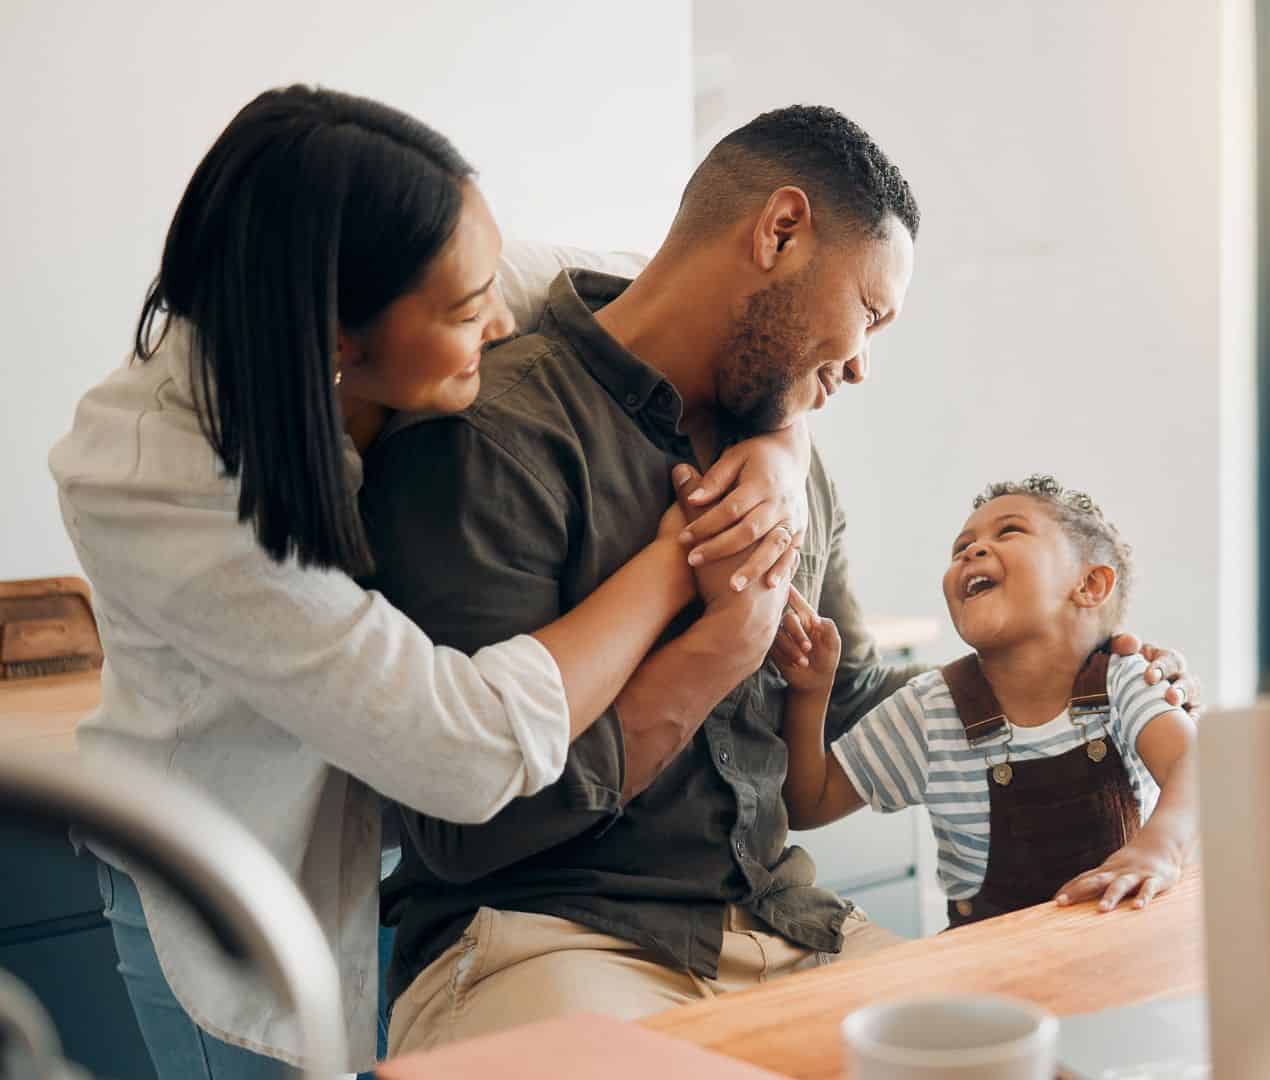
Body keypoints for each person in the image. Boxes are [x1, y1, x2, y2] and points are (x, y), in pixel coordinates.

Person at [364, 105, 1199, 1054]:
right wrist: (719, 651)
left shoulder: (791, 466)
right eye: (868, 311)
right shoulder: (496, 437)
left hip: (780, 924)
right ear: (781, 229)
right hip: (544, 939)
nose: (861, 363)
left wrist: (1067, 684)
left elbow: (843, 701)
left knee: (1022, 1061)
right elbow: (467, 831)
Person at [46, 86, 810, 1079]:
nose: (501, 318)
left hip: (404, 882)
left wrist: (783, 452)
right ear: (334, 338)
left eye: (490, 281)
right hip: (239, 884)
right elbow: (466, 747)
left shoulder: (443, 280)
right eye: (463, 310)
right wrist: (679, 563)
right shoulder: (151, 475)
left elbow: (707, 314)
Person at [779, 475, 1199, 928]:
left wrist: (1161, 847)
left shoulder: (1124, 680)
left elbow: (1199, 765)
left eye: (1009, 531)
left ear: (1090, 584)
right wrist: (810, 692)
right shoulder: (929, 711)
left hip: (1123, 937)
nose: (971, 551)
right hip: (987, 967)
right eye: (962, 545)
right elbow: (808, 802)